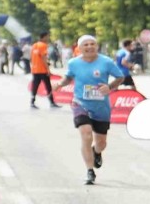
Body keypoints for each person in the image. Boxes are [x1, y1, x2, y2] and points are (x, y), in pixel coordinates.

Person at [52, 35, 124, 184]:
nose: (89, 47)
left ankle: (96, 152)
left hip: (101, 107)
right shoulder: (73, 63)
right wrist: (59, 84)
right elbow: (68, 77)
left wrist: (109, 87)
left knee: (101, 143)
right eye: (86, 45)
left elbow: (120, 77)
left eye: (92, 44)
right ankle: (90, 171)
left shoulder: (106, 62)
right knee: (86, 134)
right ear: (79, 48)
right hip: (80, 103)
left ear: (97, 46)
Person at [30, 32, 60, 109]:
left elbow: (33, 57)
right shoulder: (43, 45)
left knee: (35, 86)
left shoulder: (34, 45)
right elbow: (44, 58)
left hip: (35, 69)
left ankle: (32, 102)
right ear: (44, 37)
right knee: (48, 86)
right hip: (42, 70)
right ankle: (52, 102)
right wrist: (48, 69)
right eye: (47, 36)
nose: (48, 38)